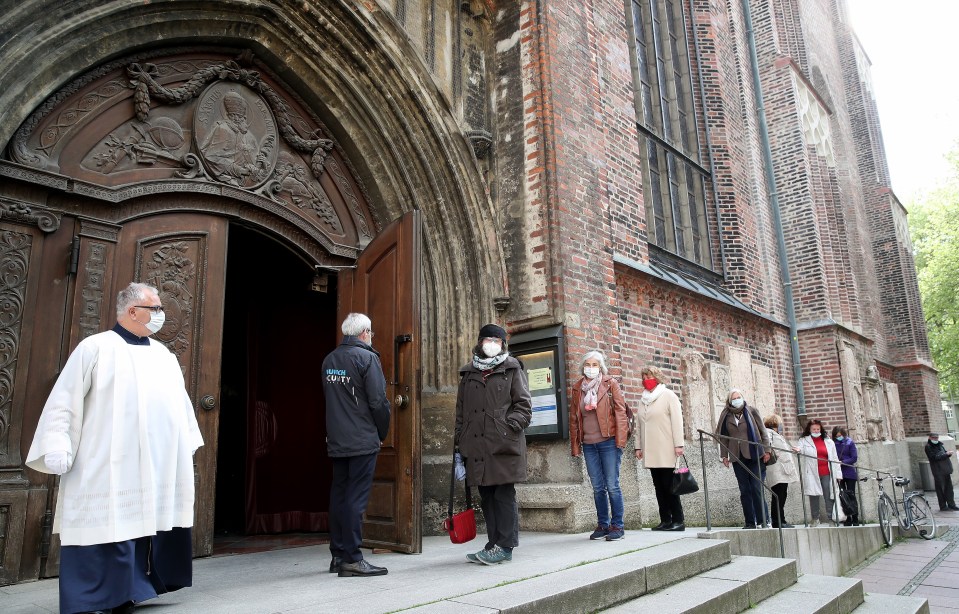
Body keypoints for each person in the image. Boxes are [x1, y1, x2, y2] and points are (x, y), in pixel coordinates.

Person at [26, 282, 203, 614]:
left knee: (141, 525)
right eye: (156, 308)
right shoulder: (95, 348)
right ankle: (93, 598)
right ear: (133, 311)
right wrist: (57, 441)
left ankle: (130, 591)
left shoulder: (163, 354)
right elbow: (65, 399)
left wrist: (186, 441)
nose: (161, 315)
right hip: (105, 459)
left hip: (154, 460)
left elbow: (180, 404)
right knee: (107, 525)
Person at [456, 324, 532, 565]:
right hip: (476, 445)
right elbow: (461, 412)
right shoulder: (468, 373)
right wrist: (459, 442)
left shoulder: (512, 368)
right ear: (479, 343)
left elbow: (524, 406)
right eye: (487, 339)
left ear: (503, 344)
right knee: (486, 495)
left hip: (504, 443)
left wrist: (508, 426)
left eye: (496, 340)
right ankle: (492, 543)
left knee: (503, 494)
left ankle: (506, 546)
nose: (491, 344)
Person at [323, 313, 391, 577]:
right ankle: (352, 558)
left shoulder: (330, 359)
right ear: (365, 332)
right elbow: (378, 402)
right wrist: (381, 432)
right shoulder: (367, 358)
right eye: (371, 333)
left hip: (337, 439)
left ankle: (338, 555)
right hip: (362, 439)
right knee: (355, 498)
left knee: (339, 495)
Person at [569, 350, 629, 541]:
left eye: (595, 365)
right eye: (588, 364)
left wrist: (621, 440)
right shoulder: (578, 388)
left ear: (601, 367)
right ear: (583, 367)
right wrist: (575, 445)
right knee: (597, 487)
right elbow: (573, 419)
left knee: (612, 485)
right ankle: (603, 524)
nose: (591, 368)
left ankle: (617, 526)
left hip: (609, 442)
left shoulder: (610, 384)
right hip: (588, 444)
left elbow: (620, 412)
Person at [633, 366, 686, 531]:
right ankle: (665, 520)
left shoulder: (668, 395)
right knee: (658, 487)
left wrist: (679, 444)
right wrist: (638, 447)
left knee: (670, 486)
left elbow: (677, 421)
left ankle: (678, 521)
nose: (645, 380)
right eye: (643, 377)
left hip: (666, 448)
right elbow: (639, 425)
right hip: (650, 450)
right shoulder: (643, 400)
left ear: (656, 377)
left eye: (648, 376)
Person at [714, 389, 771, 529]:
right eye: (734, 398)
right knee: (745, 490)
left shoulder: (751, 411)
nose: (737, 400)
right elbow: (723, 437)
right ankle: (750, 522)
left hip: (754, 454)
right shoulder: (726, 415)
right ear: (729, 401)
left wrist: (767, 450)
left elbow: (763, 431)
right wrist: (724, 455)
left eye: (739, 397)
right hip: (737, 456)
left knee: (757, 488)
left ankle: (764, 520)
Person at [798, 419, 841, 526]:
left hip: (827, 472)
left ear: (821, 429)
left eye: (818, 429)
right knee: (813, 496)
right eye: (814, 429)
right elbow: (801, 450)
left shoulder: (829, 441)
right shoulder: (804, 440)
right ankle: (815, 518)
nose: (816, 431)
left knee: (829, 496)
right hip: (812, 473)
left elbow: (835, 458)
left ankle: (831, 518)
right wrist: (798, 450)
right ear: (809, 429)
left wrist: (839, 474)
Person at [763, 415, 799, 528]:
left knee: (782, 494)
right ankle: (777, 521)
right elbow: (767, 444)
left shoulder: (777, 435)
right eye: (780, 423)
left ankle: (781, 520)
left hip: (783, 469)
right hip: (777, 468)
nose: (781, 425)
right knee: (778, 495)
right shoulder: (769, 433)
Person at [832, 426, 860, 525]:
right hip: (839, 473)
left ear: (843, 434)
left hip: (849, 472)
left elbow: (854, 457)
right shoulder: (833, 444)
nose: (838, 437)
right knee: (842, 496)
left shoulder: (849, 442)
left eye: (840, 435)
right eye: (836, 436)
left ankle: (855, 517)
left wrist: (842, 462)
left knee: (851, 495)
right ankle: (847, 517)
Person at [924, 432, 958, 511]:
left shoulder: (940, 444)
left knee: (949, 488)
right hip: (938, 470)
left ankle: (951, 504)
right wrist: (946, 454)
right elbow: (934, 457)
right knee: (940, 489)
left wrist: (948, 454)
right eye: (934, 438)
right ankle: (943, 506)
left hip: (945, 469)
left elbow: (944, 453)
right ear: (930, 438)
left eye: (937, 438)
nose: (935, 439)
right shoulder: (928, 447)